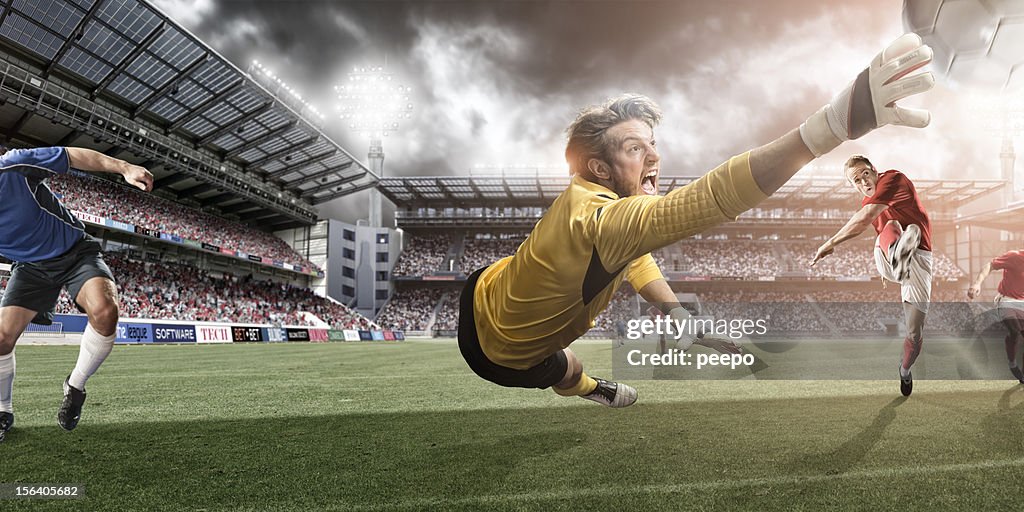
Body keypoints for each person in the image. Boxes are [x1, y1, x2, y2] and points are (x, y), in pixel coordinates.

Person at [458, 33, 935, 407]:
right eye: (634, 148)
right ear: (600, 168)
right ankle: (592, 388)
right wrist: (827, 128)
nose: (653, 157)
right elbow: (708, 197)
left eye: (651, 144)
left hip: (487, 285)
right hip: (496, 354)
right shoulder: (605, 221)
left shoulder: (595, 203)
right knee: (567, 370)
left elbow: (632, 257)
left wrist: (679, 313)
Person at [0, 145, 153, 442]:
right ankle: (3, 410)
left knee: (105, 312)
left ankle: (75, 386)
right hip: (31, 268)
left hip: (74, 252)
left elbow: (72, 156)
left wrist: (124, 167)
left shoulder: (12, 166)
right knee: (1, 337)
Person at [811, 155, 932, 397]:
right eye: (856, 180)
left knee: (914, 333)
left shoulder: (894, 179)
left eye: (865, 174)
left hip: (919, 259)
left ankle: (905, 370)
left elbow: (863, 219)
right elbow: (870, 219)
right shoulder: (870, 203)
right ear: (853, 185)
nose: (863, 181)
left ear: (874, 170)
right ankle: (896, 257)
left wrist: (830, 243)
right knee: (894, 227)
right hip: (891, 255)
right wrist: (889, 261)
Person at [967, 250, 1024, 383]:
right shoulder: (1015, 256)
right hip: (1006, 299)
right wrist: (977, 283)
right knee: (1015, 332)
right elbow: (990, 265)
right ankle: (1012, 363)